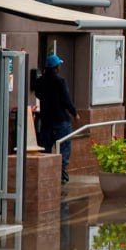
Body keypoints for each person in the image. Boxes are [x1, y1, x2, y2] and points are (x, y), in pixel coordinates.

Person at [32, 53, 79, 183]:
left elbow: (38, 94)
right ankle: (61, 173)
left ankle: (45, 173)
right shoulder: (60, 81)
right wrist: (75, 113)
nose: (60, 67)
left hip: (46, 121)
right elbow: (66, 100)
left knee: (46, 147)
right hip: (61, 120)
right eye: (59, 65)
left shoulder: (40, 82)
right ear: (56, 67)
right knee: (64, 147)